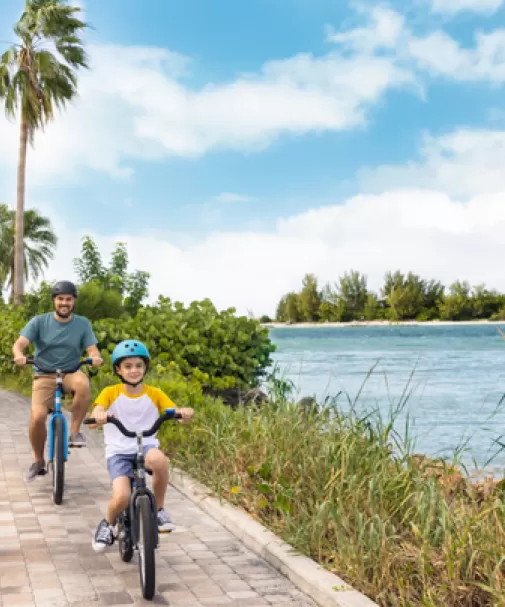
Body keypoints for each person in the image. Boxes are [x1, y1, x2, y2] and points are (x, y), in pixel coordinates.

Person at [87, 340, 193, 552]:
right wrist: (99, 415)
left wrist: (183, 414)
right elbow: (96, 413)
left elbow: (173, 411)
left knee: (159, 460)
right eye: (128, 366)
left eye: (138, 366)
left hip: (146, 447)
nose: (134, 370)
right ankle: (107, 524)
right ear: (118, 369)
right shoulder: (110, 392)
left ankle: (159, 510)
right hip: (119, 452)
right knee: (122, 497)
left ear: (145, 368)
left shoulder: (154, 394)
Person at [12, 280, 103, 482]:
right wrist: (19, 355)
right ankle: (38, 462)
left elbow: (92, 349)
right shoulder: (39, 322)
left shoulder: (82, 323)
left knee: (83, 384)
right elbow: (20, 344)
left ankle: (74, 432)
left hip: (70, 371)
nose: (64, 303)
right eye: (60, 299)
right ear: (54, 301)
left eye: (68, 299)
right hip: (44, 374)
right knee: (37, 418)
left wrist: (95, 357)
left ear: (73, 302)